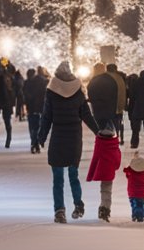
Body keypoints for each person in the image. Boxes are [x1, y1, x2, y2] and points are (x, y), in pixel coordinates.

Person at [38, 61, 100, 223]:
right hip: (74, 137)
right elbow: (86, 114)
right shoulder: (78, 89)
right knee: (73, 174)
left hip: (58, 137)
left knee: (57, 177)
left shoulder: (52, 91)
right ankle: (78, 204)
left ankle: (59, 210)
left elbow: (47, 116)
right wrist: (97, 131)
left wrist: (41, 136)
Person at [86, 123, 122, 222]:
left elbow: (96, 156)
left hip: (101, 169)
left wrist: (94, 169)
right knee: (107, 190)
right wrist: (115, 167)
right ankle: (105, 209)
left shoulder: (99, 142)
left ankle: (102, 208)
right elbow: (117, 159)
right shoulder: (114, 144)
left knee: (103, 189)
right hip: (109, 171)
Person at [86, 63, 120, 132]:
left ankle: (104, 141)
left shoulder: (93, 81)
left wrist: (92, 100)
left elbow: (90, 93)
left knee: (101, 128)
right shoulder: (110, 79)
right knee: (110, 127)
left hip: (98, 108)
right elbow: (115, 91)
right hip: (109, 107)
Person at [23, 67, 48, 154]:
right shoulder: (41, 82)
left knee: (33, 127)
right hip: (39, 108)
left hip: (31, 108)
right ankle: (35, 144)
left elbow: (25, 96)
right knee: (37, 127)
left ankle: (34, 143)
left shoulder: (26, 83)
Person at [124, 152, 144, 222]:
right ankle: (141, 215)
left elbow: (127, 173)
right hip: (142, 191)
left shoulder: (130, 172)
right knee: (140, 203)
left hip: (132, 192)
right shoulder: (143, 173)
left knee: (134, 204)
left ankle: (136, 215)